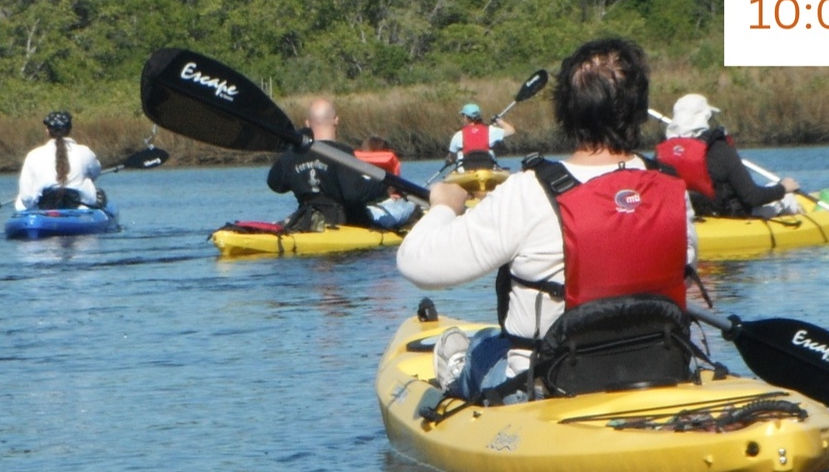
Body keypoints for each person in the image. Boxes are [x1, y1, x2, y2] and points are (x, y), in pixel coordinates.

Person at [398, 39, 699, 404]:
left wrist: (444, 206)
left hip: (548, 387)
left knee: (483, 345)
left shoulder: (529, 192)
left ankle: (458, 373)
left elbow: (417, 264)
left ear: (566, 111)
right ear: (638, 109)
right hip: (662, 368)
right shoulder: (672, 188)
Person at [655, 94, 801, 218]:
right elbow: (753, 197)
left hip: (691, 215)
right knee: (787, 197)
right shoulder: (720, 149)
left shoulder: (663, 152)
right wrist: (783, 188)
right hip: (730, 216)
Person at [266, 99, 392, 232]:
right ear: (336, 120)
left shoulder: (293, 154)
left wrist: (292, 148)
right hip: (346, 224)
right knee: (407, 207)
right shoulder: (342, 153)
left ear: (308, 123)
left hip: (307, 221)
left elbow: (275, 184)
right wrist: (385, 187)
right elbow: (353, 194)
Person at [16, 111, 101, 211]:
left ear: (47, 131)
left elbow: (26, 196)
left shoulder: (33, 155)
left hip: (44, 208)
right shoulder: (85, 152)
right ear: (70, 129)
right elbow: (95, 173)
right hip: (80, 209)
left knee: (20, 199)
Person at [355, 136, 419, 230]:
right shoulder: (385, 177)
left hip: (360, 211)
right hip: (376, 216)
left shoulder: (353, 172)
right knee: (413, 204)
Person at [445, 103, 515, 167]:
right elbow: (511, 130)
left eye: (463, 116)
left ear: (466, 117)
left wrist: (450, 160)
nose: (463, 118)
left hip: (467, 168)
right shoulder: (491, 130)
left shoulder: (458, 135)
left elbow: (452, 156)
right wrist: (499, 120)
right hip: (487, 167)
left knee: (460, 154)